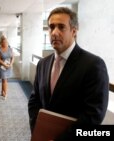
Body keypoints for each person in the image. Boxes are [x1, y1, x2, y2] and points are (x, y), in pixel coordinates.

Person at [28, 7, 109, 141]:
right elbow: (34, 100)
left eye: (61, 27)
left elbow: (93, 115)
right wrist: (37, 130)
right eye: (51, 27)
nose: (54, 32)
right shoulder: (43, 63)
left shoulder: (93, 65)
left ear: (74, 31)